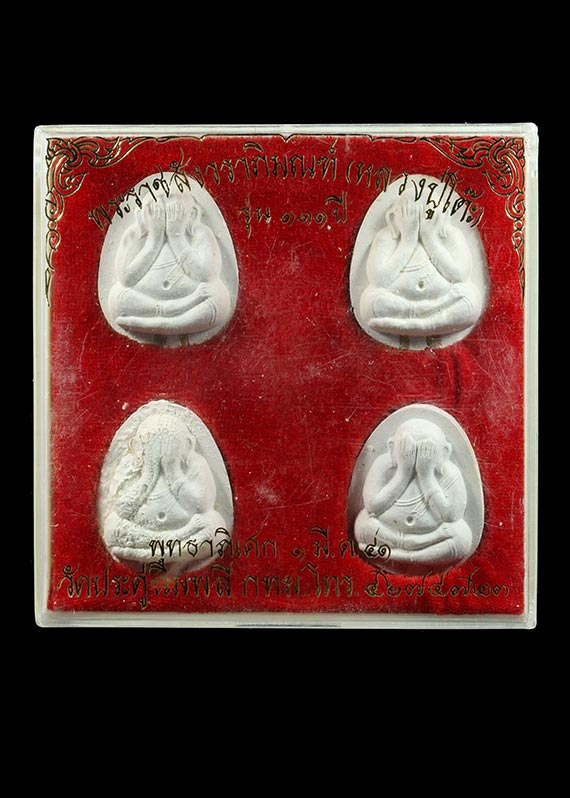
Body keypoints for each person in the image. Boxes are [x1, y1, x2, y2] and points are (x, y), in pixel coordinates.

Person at [354, 418, 473, 575]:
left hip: (432, 536)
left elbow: (452, 516)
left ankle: (405, 555)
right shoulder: (383, 464)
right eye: (407, 449)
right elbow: (372, 507)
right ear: (392, 447)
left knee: (462, 536)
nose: (417, 457)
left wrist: (426, 475)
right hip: (388, 532)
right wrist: (403, 472)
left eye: (427, 450)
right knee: (362, 523)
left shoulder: (450, 473)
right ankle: (408, 550)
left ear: (444, 453)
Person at [108, 195, 230, 337]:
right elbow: (126, 279)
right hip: (146, 303)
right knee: (116, 298)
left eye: (175, 212)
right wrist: (154, 240)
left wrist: (176, 237)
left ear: (192, 214)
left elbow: (207, 275)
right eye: (156, 212)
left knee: (219, 297)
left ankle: (169, 324)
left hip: (193, 301)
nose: (166, 219)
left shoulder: (201, 233)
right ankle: (164, 311)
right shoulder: (134, 234)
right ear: (142, 215)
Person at [360, 197, 482, 338]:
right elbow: (379, 280)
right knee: (370, 302)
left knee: (471, 298)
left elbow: (460, 276)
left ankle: (428, 323)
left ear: (443, 215)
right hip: (400, 303)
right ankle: (427, 318)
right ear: (393, 217)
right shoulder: (386, 236)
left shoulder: (451, 234)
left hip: (443, 301)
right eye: (410, 213)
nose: (418, 220)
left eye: (428, 214)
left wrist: (430, 238)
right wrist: (408, 241)